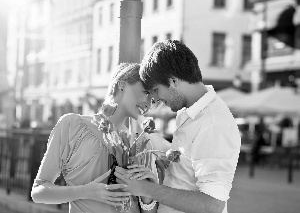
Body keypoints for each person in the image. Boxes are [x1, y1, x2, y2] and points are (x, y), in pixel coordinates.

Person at [115, 40, 241, 213]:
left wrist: (145, 189)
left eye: (156, 90)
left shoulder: (213, 124)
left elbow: (212, 205)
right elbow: (187, 175)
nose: (156, 99)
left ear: (173, 81)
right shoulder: (190, 112)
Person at [31, 63, 161, 213]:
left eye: (153, 99)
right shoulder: (72, 125)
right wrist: (86, 191)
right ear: (122, 84)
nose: (149, 103)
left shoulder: (142, 144)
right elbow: (39, 192)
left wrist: (149, 192)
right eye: (146, 92)